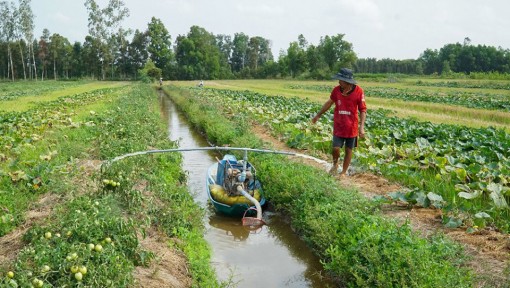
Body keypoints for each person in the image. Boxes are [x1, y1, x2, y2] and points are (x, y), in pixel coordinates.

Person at [311, 68, 367, 177]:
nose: (339, 82)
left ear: (347, 82)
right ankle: (335, 164)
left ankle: (344, 172)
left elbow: (363, 110)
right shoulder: (336, 90)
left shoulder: (359, 91)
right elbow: (329, 103)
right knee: (335, 148)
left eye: (341, 80)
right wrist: (318, 115)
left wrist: (361, 127)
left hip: (352, 127)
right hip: (339, 125)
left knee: (348, 150)